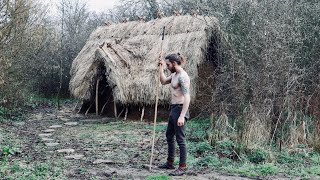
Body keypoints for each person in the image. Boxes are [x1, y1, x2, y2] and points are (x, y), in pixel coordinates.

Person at [158, 53, 191, 176]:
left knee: (180, 139)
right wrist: (161, 68)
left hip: (180, 109)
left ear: (174, 63)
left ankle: (182, 167)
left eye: (168, 64)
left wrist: (182, 115)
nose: (167, 66)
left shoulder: (183, 77)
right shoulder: (174, 75)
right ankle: (170, 163)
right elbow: (163, 81)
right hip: (173, 109)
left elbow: (187, 97)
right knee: (169, 136)